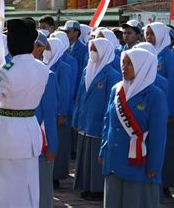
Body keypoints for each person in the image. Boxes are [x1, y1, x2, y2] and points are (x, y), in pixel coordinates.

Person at [0, 18, 48, 208]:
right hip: (30, 131)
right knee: (27, 189)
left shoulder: (6, 71)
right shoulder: (42, 69)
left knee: (2, 191)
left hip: (5, 134)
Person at [99, 48, 167, 208]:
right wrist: (103, 150)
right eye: (123, 62)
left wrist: (154, 165)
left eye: (130, 63)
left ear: (142, 66)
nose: (124, 67)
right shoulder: (117, 89)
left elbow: (158, 135)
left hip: (139, 164)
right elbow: (107, 122)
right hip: (114, 159)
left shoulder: (155, 95)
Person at [72, 38, 120, 201]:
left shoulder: (112, 75)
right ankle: (86, 186)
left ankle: (97, 189)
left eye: (95, 49)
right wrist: (76, 118)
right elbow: (80, 96)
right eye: (91, 48)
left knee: (96, 158)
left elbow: (111, 104)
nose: (91, 51)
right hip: (85, 120)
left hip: (99, 123)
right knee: (85, 157)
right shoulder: (87, 70)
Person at [144, 22, 174, 198]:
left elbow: (173, 87)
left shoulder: (170, 57)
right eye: (147, 34)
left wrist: (170, 112)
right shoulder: (151, 55)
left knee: (165, 149)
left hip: (165, 114)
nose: (148, 38)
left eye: (151, 34)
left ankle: (164, 186)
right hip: (150, 111)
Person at [33, 31, 58, 208]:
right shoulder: (15, 70)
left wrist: (52, 145)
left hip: (41, 138)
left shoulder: (47, 75)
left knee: (41, 186)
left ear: (40, 48)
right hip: (22, 139)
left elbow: (50, 114)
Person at [44, 38, 73, 189]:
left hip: (57, 113)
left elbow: (65, 92)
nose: (45, 49)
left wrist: (62, 112)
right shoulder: (44, 64)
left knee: (57, 145)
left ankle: (56, 176)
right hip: (46, 111)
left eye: (48, 47)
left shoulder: (63, 67)